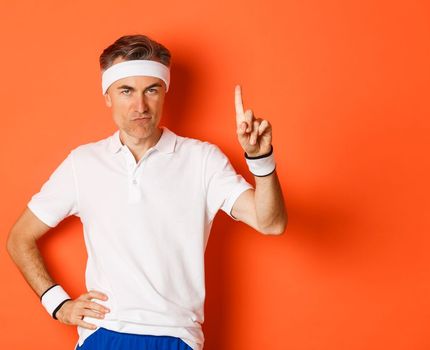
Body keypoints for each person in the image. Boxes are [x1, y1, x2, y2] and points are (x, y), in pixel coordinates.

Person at [5, 34, 288, 350]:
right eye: (126, 91)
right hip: (104, 333)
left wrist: (260, 159)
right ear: (108, 96)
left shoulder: (202, 159)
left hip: (176, 336)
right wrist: (58, 304)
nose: (140, 106)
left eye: (151, 90)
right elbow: (19, 238)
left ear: (164, 94)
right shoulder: (83, 163)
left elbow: (270, 222)